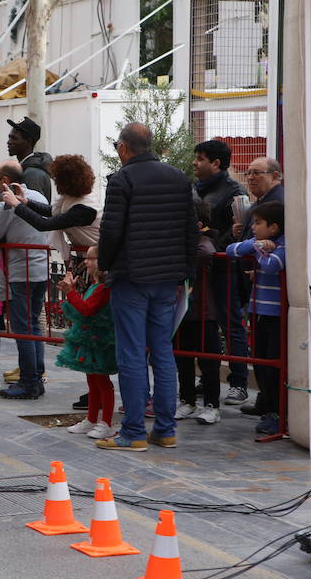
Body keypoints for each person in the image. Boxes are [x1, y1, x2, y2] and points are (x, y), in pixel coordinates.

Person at [95, 123, 197, 452]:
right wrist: (185, 272)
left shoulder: (122, 179)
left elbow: (111, 231)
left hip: (132, 277)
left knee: (132, 355)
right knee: (163, 353)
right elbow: (189, 231)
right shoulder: (178, 178)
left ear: (124, 147)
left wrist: (104, 265)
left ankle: (133, 432)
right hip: (168, 279)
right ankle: (165, 430)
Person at [3, 153, 102, 409]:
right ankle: (96, 390)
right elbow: (51, 213)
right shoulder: (72, 201)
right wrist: (27, 202)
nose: (54, 182)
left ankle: (100, 391)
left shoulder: (84, 207)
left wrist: (16, 205)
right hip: (84, 265)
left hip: (95, 268)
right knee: (85, 331)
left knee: (93, 333)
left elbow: (47, 224)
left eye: (57, 178)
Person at [0, 161, 49, 395]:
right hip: (41, 268)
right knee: (33, 324)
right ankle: (36, 377)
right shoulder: (40, 196)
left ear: (5, 179)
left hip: (22, 270)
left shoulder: (7, 201)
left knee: (22, 327)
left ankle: (29, 382)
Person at [192, 140, 250, 406]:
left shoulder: (234, 192)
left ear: (216, 163)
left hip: (224, 267)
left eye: (201, 158)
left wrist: (215, 248)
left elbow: (240, 229)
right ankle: (207, 377)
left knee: (231, 323)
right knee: (205, 326)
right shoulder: (193, 188)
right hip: (200, 269)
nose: (195, 163)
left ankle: (238, 382)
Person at [225, 201, 285, 435]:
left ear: (273, 227)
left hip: (275, 315)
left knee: (273, 368)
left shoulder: (283, 246)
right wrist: (256, 244)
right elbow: (232, 250)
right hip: (257, 312)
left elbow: (272, 266)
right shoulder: (261, 243)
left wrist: (260, 250)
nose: (253, 227)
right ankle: (268, 408)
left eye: (258, 223)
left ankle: (277, 412)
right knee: (259, 364)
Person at [58, 252, 118, 439]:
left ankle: (106, 422)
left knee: (102, 380)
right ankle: (91, 419)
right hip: (91, 338)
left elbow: (86, 310)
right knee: (92, 380)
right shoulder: (95, 285)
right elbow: (82, 309)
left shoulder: (103, 288)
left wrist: (70, 292)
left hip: (99, 340)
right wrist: (72, 291)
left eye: (92, 258)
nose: (86, 261)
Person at [173, 200, 221, 425]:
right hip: (183, 311)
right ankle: (187, 400)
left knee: (208, 361)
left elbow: (206, 252)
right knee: (182, 358)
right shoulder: (183, 243)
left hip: (205, 312)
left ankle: (212, 405)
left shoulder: (205, 241)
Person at [5, 117, 52, 203]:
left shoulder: (32, 173)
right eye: (9, 137)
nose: (9, 142)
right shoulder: (27, 168)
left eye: (14, 138)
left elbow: (33, 212)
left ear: (29, 141)